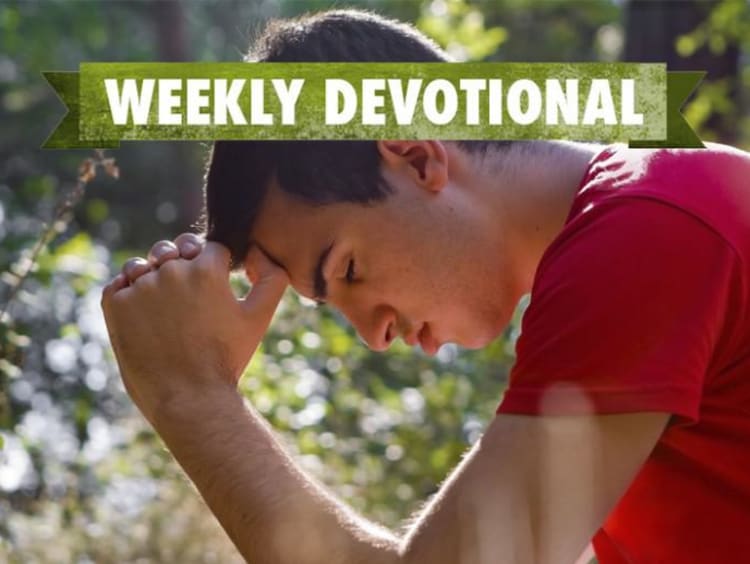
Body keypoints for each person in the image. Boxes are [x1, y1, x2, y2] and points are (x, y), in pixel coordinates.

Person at [101, 9, 750, 564]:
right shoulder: (651, 224)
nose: (375, 335)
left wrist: (195, 401)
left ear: (416, 156)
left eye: (348, 270)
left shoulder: (648, 232)